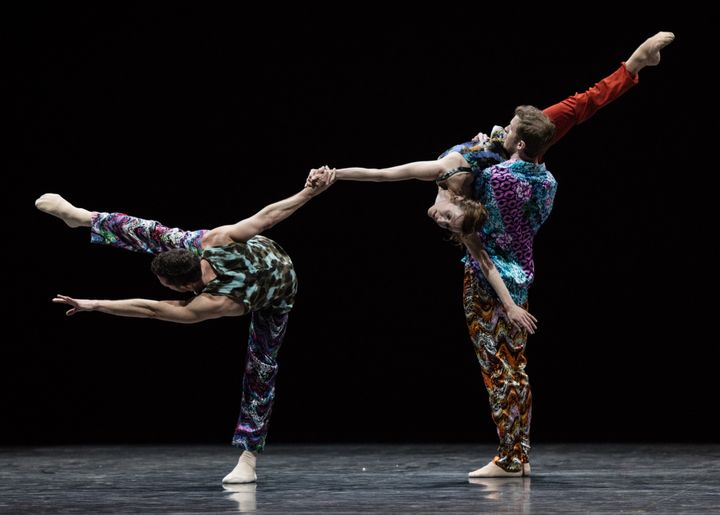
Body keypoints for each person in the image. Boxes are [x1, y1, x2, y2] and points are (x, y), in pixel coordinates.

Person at [309, 31, 674, 478]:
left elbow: (394, 177)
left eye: (440, 212)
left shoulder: (476, 177)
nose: (436, 212)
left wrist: (340, 176)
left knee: (501, 367)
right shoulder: (518, 165)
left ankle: (511, 456)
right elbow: (575, 112)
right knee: (577, 108)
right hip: (520, 262)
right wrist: (339, 175)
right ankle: (515, 453)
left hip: (498, 271)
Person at [34, 168, 336, 485]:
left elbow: (150, 309)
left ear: (181, 288)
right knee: (163, 234)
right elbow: (269, 216)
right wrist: (309, 193)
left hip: (278, 292)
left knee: (261, 367)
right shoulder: (214, 241)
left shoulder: (214, 303)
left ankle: (248, 459)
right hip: (262, 249)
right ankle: (82, 217)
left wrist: (94, 305)